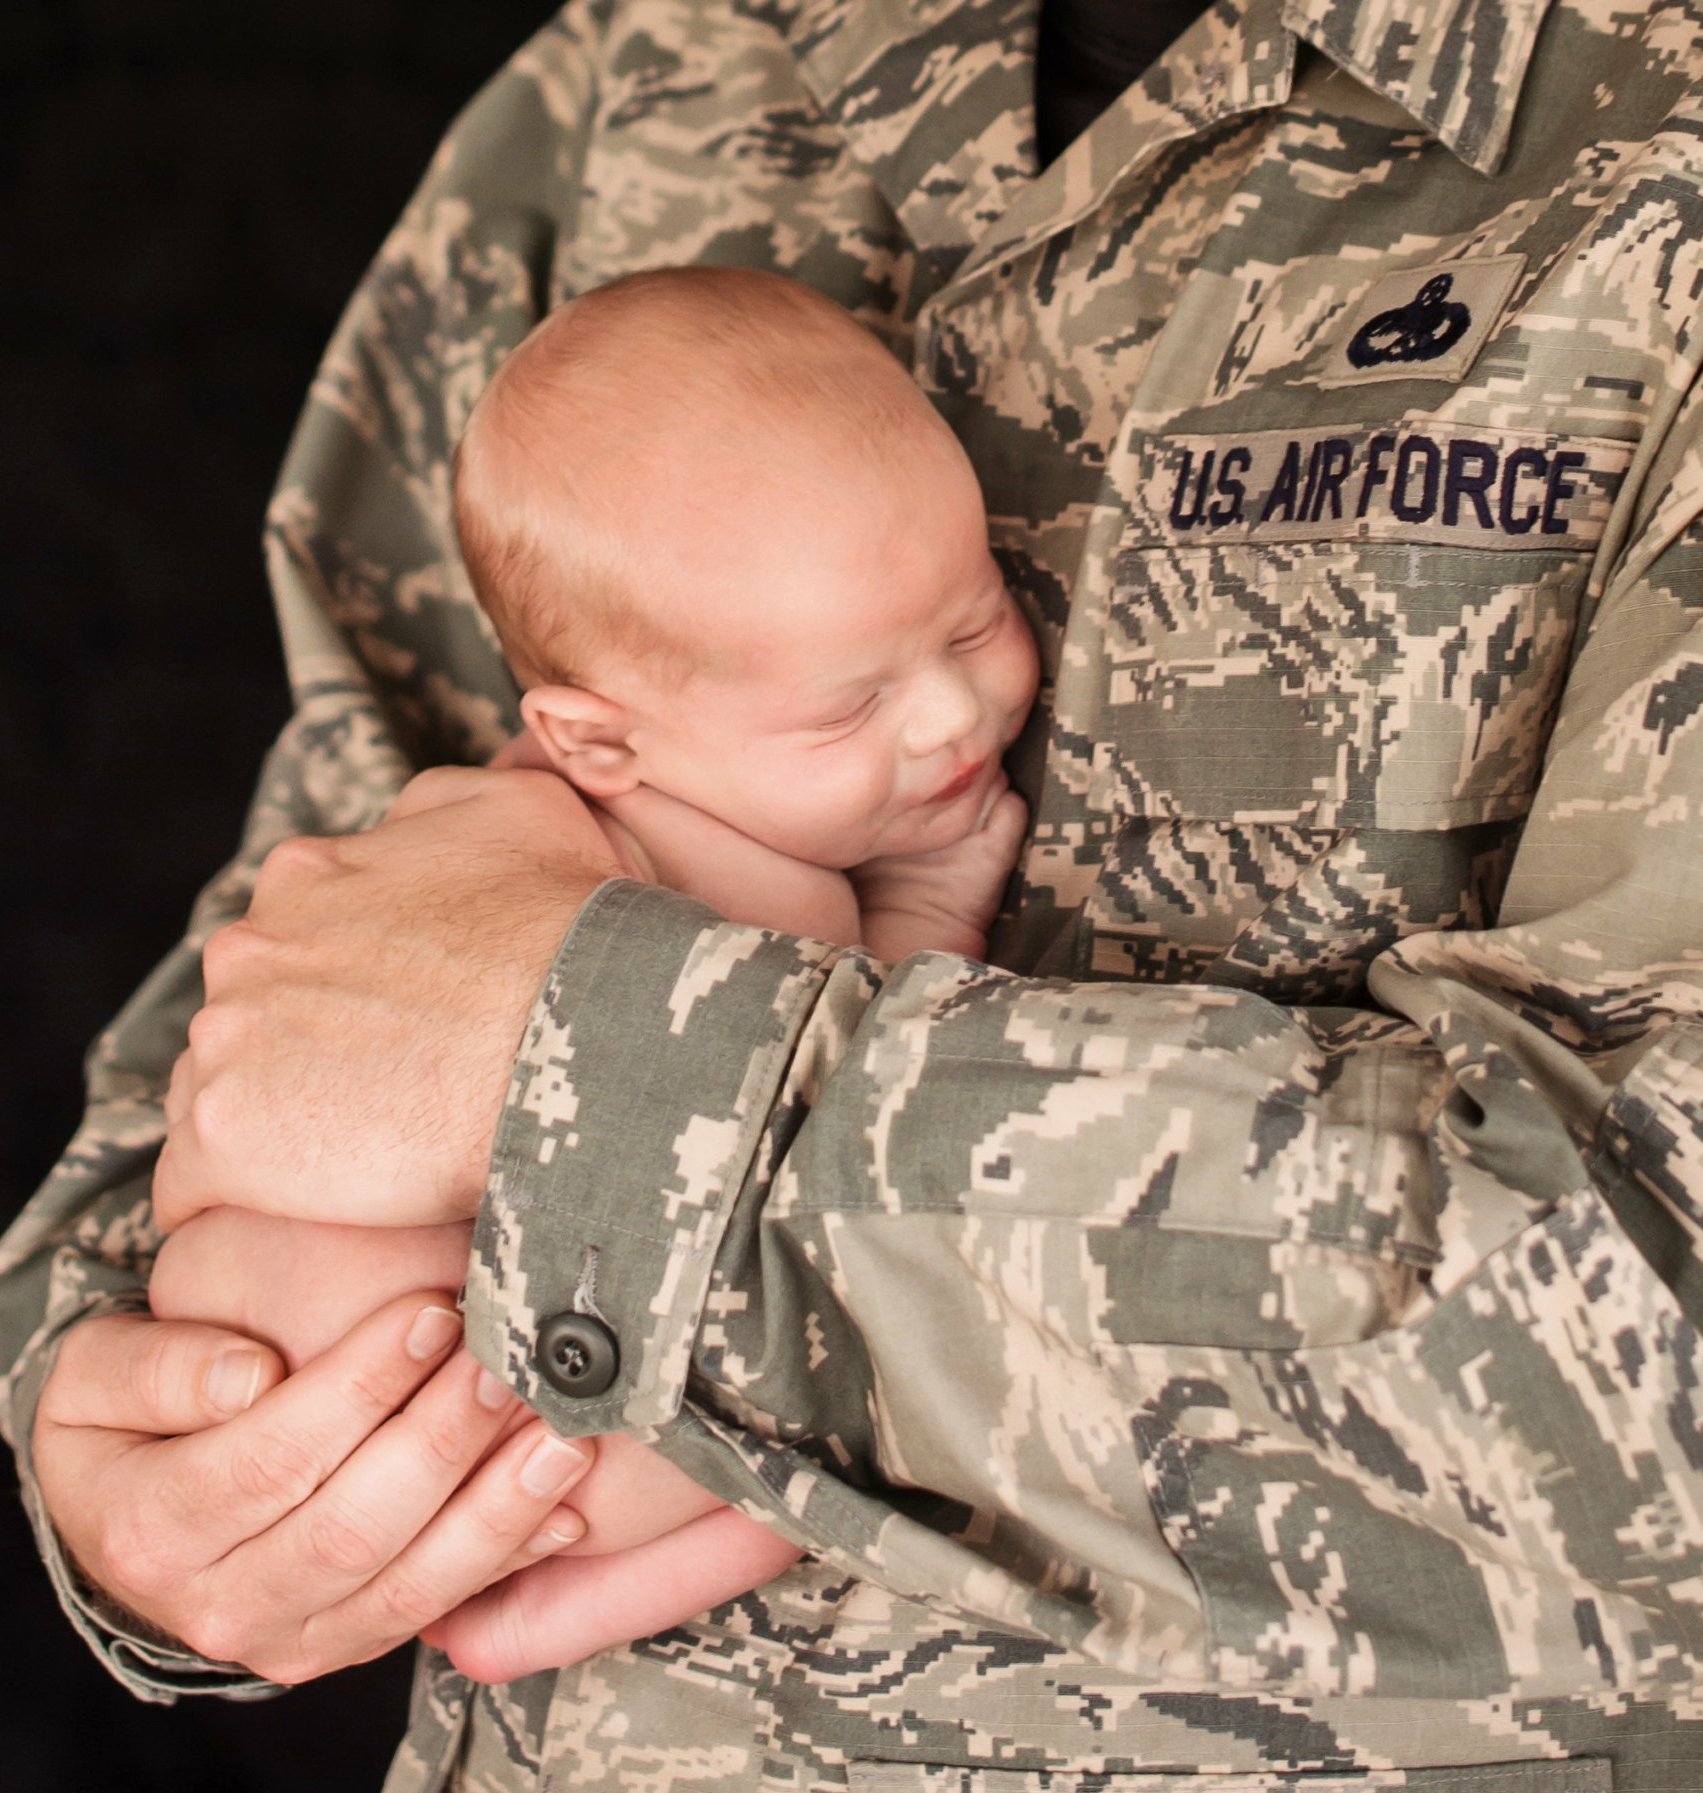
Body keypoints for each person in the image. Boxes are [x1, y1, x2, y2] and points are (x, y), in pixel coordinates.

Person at [9, 0, 1703, 1793]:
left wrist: (597, 1063)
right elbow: (310, 941)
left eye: (983, 619)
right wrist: (130, 1440)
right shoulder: (666, 66)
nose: (950, 722)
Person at [144, 263, 1038, 1645]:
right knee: (815, 1424)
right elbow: (836, 1076)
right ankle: (539, 1595)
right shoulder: (654, 876)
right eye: (846, 706)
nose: (949, 716)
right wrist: (928, 899)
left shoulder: (530, 810)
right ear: (598, 740)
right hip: (426, 1381)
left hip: (287, 1352)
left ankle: (513, 1617)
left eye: (974, 616)